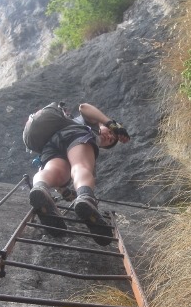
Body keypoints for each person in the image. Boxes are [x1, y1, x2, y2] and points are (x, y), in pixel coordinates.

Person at [29, 102, 130, 245]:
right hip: (77, 136)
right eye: (110, 133)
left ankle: (39, 188)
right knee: (81, 166)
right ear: (103, 125)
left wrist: (65, 192)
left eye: (112, 140)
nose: (110, 137)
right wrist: (112, 124)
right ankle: (86, 198)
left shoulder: (68, 124)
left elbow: (60, 182)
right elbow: (84, 107)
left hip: (52, 143)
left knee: (55, 173)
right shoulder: (91, 124)